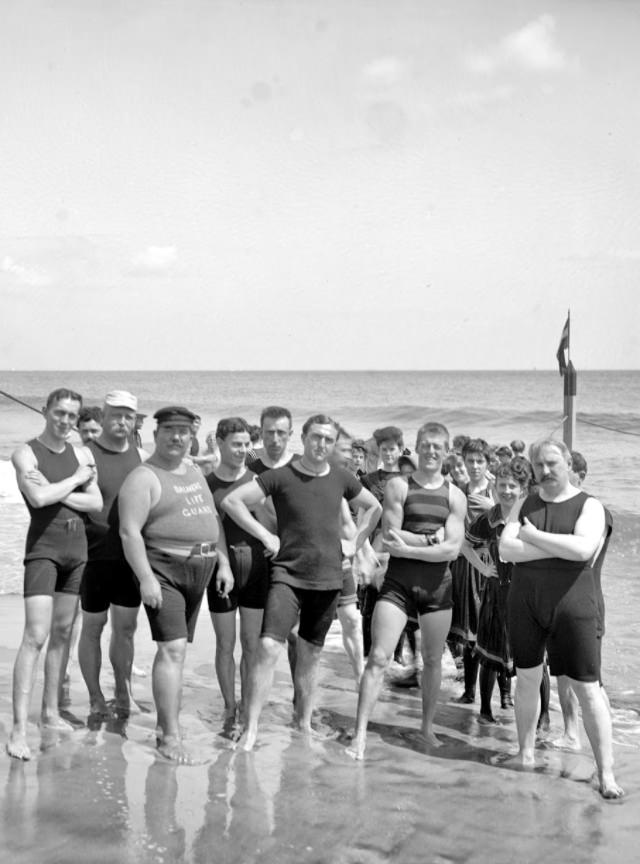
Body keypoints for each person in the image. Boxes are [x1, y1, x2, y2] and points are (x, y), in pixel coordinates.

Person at [222, 414, 382, 751]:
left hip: (327, 580)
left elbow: (373, 507)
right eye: (315, 438)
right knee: (267, 647)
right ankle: (251, 729)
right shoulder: (281, 476)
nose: (321, 445)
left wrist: (356, 543)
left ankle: (304, 724)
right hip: (287, 576)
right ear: (304, 439)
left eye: (327, 439)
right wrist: (266, 535)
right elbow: (232, 501)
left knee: (310, 654)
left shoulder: (342, 478)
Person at [499, 438, 623, 799]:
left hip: (574, 607)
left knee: (587, 688)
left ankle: (607, 773)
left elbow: (584, 550)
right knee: (526, 679)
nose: (546, 470)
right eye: (539, 465)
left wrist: (534, 536)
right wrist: (560, 546)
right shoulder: (524, 502)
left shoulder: (590, 505)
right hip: (525, 604)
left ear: (568, 463)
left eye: (553, 463)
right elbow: (506, 551)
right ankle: (524, 754)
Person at [119, 406, 233, 763]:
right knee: (172, 650)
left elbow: (213, 521)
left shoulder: (194, 471)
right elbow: (129, 531)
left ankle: (167, 725)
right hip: (165, 569)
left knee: (179, 650)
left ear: (191, 436)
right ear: (156, 434)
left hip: (201, 568)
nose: (177, 437)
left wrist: (224, 563)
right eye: (169, 430)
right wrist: (147, 578)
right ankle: (169, 735)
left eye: (183, 431)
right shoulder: (144, 477)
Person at [347, 422, 466, 760]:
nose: (431, 451)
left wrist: (413, 546)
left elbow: (453, 550)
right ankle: (359, 735)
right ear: (415, 447)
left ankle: (426, 729)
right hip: (397, 585)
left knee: (431, 660)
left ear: (446, 451)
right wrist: (431, 539)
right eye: (425, 445)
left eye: (437, 447)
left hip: (437, 588)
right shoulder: (399, 486)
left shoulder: (455, 496)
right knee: (380, 658)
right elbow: (390, 537)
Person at [7, 388, 102, 760]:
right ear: (46, 411)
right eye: (60, 413)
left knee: (63, 634)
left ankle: (49, 712)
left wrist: (58, 489)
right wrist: (74, 479)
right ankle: (17, 729)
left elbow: (94, 503)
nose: (66, 422)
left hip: (77, 551)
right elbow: (37, 499)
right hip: (44, 551)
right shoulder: (26, 453)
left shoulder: (81, 453)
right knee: (35, 635)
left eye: (72, 417)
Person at [78, 391, 147, 720]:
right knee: (93, 627)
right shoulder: (84, 454)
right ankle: (95, 698)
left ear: (135, 420)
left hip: (129, 558)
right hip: (92, 556)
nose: (122, 421)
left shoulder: (142, 456)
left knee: (126, 629)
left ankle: (124, 694)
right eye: (116, 415)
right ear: (103, 417)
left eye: (128, 416)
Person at [206, 417, 269, 730]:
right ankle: (229, 707)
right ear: (219, 442)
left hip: (257, 568)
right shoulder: (208, 483)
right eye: (236, 444)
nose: (242, 450)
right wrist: (224, 565)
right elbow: (210, 528)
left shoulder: (257, 481)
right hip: (221, 571)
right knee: (224, 645)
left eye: (247, 445)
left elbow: (270, 522)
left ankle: (247, 705)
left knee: (252, 645)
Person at [552, 450, 613, 751]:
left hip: (587, 602)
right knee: (562, 673)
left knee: (591, 682)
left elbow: (584, 554)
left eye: (567, 470)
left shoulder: (595, 510)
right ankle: (570, 733)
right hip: (560, 604)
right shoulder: (563, 509)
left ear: (580, 476)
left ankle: (603, 746)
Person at [464, 459, 533, 723]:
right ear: (495, 487)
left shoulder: (530, 518)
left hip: (526, 595)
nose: (506, 491)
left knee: (533, 657)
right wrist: (483, 569)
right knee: (489, 654)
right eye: (502, 485)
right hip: (495, 593)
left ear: (522, 489)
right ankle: (485, 710)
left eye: (512, 486)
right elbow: (465, 545)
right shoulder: (488, 518)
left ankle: (543, 718)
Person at [449, 438, 496, 704]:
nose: (475, 466)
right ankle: (469, 691)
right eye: (470, 461)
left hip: (488, 566)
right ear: (464, 463)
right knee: (466, 632)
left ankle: (502, 697)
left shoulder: (494, 493)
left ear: (487, 463)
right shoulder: (458, 491)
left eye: (480, 461)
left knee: (489, 630)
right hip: (462, 566)